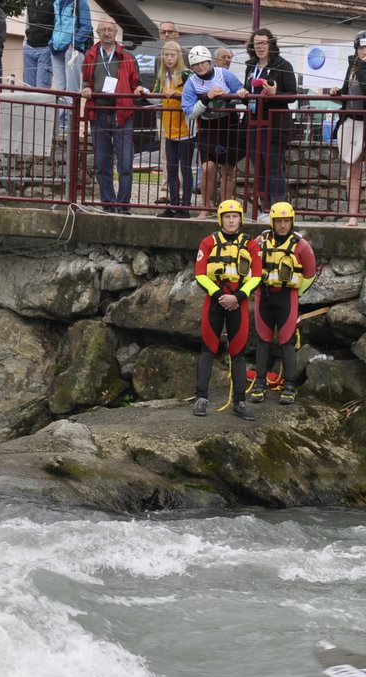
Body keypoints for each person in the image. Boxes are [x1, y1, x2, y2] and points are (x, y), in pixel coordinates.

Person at [192, 198, 261, 422]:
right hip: (215, 301)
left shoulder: (251, 245)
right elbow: (200, 273)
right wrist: (219, 296)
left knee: (238, 352)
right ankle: (201, 398)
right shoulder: (208, 242)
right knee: (208, 348)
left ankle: (240, 402)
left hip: (238, 302)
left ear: (241, 219)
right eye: (227, 217)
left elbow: (257, 276)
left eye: (235, 217)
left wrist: (238, 297)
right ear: (221, 219)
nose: (231, 220)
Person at [249, 201, 317, 404]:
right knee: (263, 340)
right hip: (264, 296)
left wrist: (297, 293)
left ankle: (289, 386)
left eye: (286, 221)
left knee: (286, 341)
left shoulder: (301, 245)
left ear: (292, 222)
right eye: (279, 221)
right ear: (272, 221)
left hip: (287, 297)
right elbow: (250, 265)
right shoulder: (261, 241)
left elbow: (310, 274)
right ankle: (260, 383)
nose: (283, 225)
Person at [325, 31, 366, 227]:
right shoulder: (352, 66)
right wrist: (337, 93)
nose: (364, 51)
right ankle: (352, 216)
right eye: (360, 48)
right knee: (353, 172)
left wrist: (362, 66)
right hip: (352, 121)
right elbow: (349, 90)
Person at [80, 17, 142, 212]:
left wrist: (139, 88)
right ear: (98, 33)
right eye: (103, 30)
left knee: (125, 163)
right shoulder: (90, 55)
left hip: (122, 113)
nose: (107, 33)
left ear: (116, 33)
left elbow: (136, 82)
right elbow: (86, 81)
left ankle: (123, 205)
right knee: (101, 162)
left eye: (110, 30)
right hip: (98, 113)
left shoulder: (128, 57)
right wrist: (87, 88)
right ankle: (108, 203)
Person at [239, 28, 296, 220]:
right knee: (259, 168)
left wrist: (274, 94)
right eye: (256, 43)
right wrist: (243, 94)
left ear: (271, 44)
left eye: (263, 43)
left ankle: (278, 211)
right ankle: (263, 209)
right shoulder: (250, 66)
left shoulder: (283, 65)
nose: (260, 47)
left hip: (275, 124)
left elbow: (292, 95)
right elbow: (249, 95)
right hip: (254, 123)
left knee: (273, 167)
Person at [183, 44, 243, 212]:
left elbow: (243, 94)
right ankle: (205, 208)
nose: (200, 67)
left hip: (229, 124)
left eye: (203, 62)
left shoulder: (224, 75)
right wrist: (207, 98)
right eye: (196, 65)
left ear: (210, 62)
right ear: (192, 67)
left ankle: (225, 210)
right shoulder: (191, 83)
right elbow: (189, 113)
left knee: (228, 170)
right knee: (207, 168)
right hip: (208, 125)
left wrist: (235, 97)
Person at [153, 39, 193, 217]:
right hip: (169, 130)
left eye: (172, 55)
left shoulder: (187, 75)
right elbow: (154, 96)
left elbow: (193, 96)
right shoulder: (162, 76)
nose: (169, 58)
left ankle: (185, 207)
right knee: (170, 169)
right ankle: (174, 204)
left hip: (186, 130)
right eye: (166, 55)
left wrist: (177, 95)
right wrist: (141, 91)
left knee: (185, 168)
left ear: (179, 56)